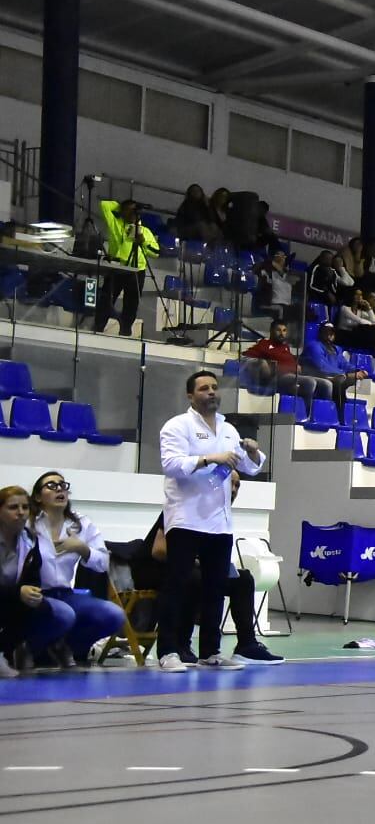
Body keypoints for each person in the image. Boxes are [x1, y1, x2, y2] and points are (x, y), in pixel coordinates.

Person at [155, 370, 263, 672]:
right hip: (187, 518)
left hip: (220, 521)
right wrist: (209, 459)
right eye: (204, 388)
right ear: (191, 395)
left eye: (215, 387)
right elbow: (172, 465)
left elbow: (250, 467)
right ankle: (168, 650)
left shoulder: (228, 429)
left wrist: (252, 453)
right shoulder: (177, 426)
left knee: (215, 587)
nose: (212, 392)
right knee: (177, 585)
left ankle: (211, 651)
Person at [147, 470, 282, 664]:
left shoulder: (221, 517)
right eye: (231, 484)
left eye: (238, 486)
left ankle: (246, 645)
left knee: (242, 579)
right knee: (193, 577)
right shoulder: (185, 508)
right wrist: (197, 561)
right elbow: (158, 550)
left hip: (202, 571)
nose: (234, 490)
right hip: (164, 570)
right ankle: (179, 644)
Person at [22, 473, 125, 669]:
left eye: (63, 485)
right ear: (37, 496)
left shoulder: (81, 523)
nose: (59, 489)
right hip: (36, 593)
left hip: (66, 594)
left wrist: (82, 548)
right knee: (64, 614)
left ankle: (65, 648)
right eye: (51, 485)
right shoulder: (28, 522)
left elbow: (103, 563)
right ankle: (28, 648)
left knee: (114, 615)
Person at [0, 484, 54, 677]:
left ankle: (7, 651)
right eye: (13, 508)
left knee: (43, 609)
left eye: (25, 507)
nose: (21, 513)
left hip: (11, 599)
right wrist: (18, 592)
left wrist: (32, 592)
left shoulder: (30, 539)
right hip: (7, 595)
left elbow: (33, 577)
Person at [94, 197, 160, 336]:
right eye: (127, 212)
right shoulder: (116, 224)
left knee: (131, 304)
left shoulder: (145, 231)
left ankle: (125, 330)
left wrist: (143, 241)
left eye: (133, 212)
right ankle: (98, 327)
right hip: (117, 267)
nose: (130, 214)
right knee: (106, 299)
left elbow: (156, 253)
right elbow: (104, 205)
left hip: (137, 270)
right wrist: (123, 207)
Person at [242, 318, 332, 405]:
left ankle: (325, 414)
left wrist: (296, 366)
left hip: (294, 375)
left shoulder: (285, 347)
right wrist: (262, 363)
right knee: (310, 382)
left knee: (327, 384)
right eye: (278, 330)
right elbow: (245, 356)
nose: (282, 333)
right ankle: (306, 414)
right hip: (278, 377)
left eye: (284, 330)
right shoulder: (264, 345)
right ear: (271, 331)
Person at [301, 321, 368, 417]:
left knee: (341, 385)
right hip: (317, 377)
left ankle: (341, 418)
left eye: (332, 332)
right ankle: (334, 416)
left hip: (336, 378)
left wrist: (357, 370)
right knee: (338, 384)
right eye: (326, 332)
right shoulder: (313, 346)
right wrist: (346, 375)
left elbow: (344, 364)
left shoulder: (336, 349)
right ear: (320, 333)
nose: (329, 335)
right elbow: (321, 366)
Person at [255, 250, 294, 320]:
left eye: (284, 257)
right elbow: (259, 274)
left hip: (284, 305)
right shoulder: (267, 269)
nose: (283, 260)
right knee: (281, 310)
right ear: (275, 258)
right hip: (269, 304)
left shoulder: (286, 273)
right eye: (280, 257)